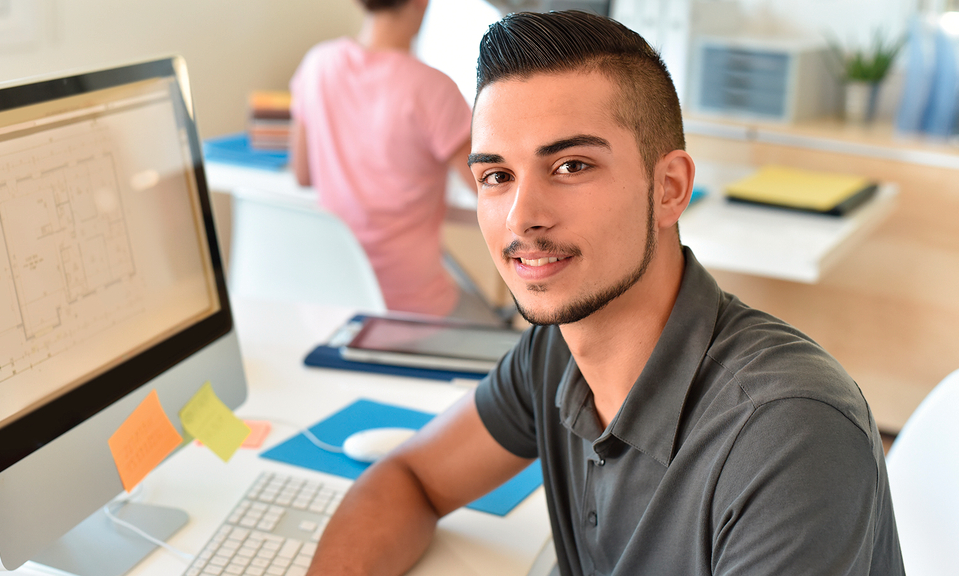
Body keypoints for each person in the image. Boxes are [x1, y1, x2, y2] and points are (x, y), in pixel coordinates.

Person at [305, 10, 904, 576]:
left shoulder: (790, 434)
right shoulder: (555, 351)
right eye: (496, 176)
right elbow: (411, 477)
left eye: (570, 166)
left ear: (670, 188)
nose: (521, 218)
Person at [290, 0, 498, 323]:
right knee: (507, 335)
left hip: (338, 306)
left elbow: (302, 174)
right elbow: (491, 187)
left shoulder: (317, 64)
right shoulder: (432, 88)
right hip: (414, 313)